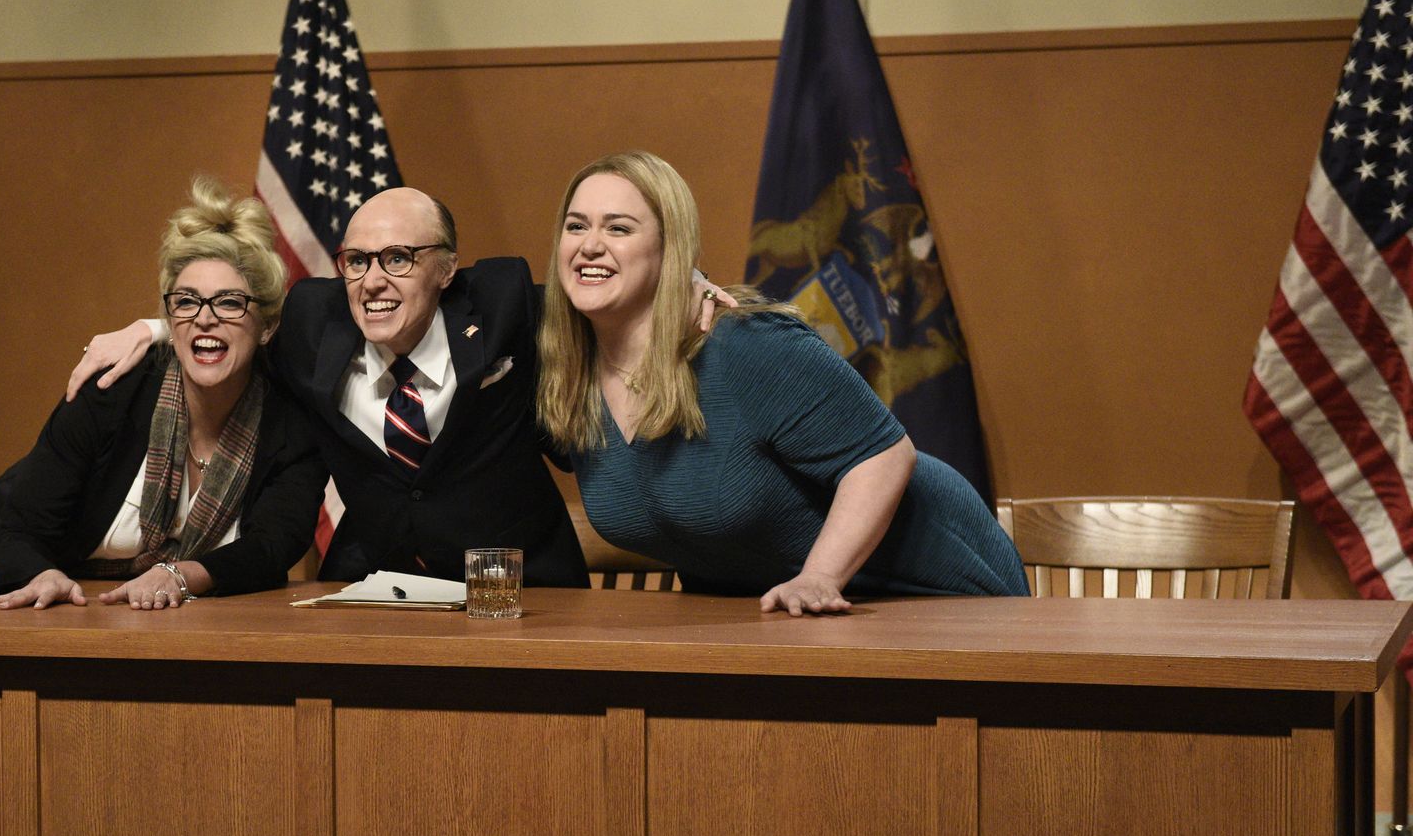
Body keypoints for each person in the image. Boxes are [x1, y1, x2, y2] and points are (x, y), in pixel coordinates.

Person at [535, 151, 1027, 614]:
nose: (590, 244)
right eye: (575, 226)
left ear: (670, 250)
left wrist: (820, 577)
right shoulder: (566, 373)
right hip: (777, 619)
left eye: (618, 228)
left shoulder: (745, 343)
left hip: (932, 598)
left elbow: (883, 456)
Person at [71, 187, 600, 586]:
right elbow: (237, 326)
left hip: (521, 592)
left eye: (398, 258)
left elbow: (608, 301)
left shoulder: (504, 302)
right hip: (370, 588)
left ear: (446, 269)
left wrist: (688, 293)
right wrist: (153, 328)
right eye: (358, 261)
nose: (373, 281)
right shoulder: (311, 322)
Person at [0, 180, 326, 610]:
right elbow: (15, 531)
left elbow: (271, 547)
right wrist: (43, 574)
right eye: (187, 302)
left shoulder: (292, 423)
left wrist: (180, 575)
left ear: (267, 326)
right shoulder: (114, 391)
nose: (205, 319)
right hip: (8, 580)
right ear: (170, 316)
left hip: (166, 616)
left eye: (229, 303)